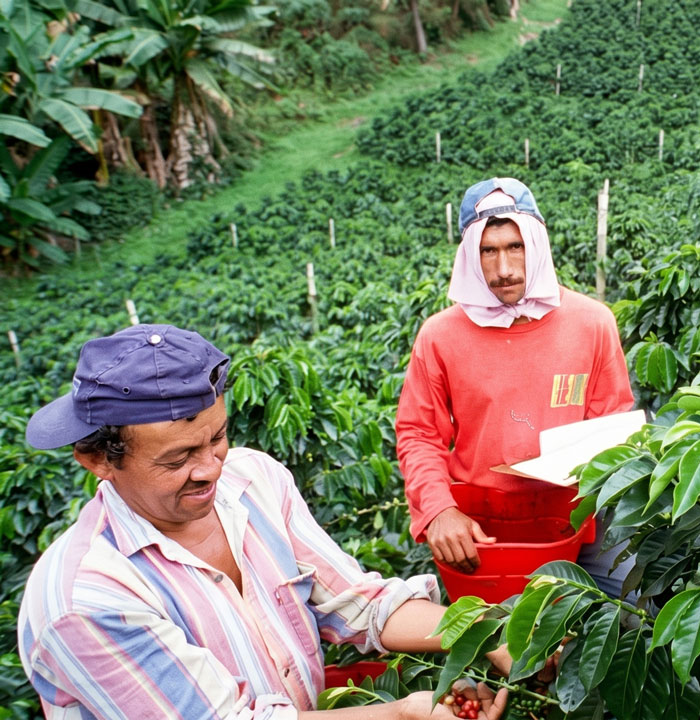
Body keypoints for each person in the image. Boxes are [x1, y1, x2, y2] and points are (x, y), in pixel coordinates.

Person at [19, 324, 509, 719]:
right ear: (99, 460)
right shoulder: (86, 601)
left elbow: (355, 603)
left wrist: (490, 630)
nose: (211, 468)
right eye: (178, 459)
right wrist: (401, 716)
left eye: (217, 437)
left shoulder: (252, 481)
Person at [396, 177, 636, 596]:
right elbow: (419, 433)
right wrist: (438, 510)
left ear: (537, 245)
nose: (504, 269)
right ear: (471, 254)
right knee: (497, 648)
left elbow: (611, 424)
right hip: (483, 524)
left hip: (578, 516)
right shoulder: (439, 336)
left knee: (628, 621)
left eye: (515, 247)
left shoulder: (592, 323)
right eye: (488, 250)